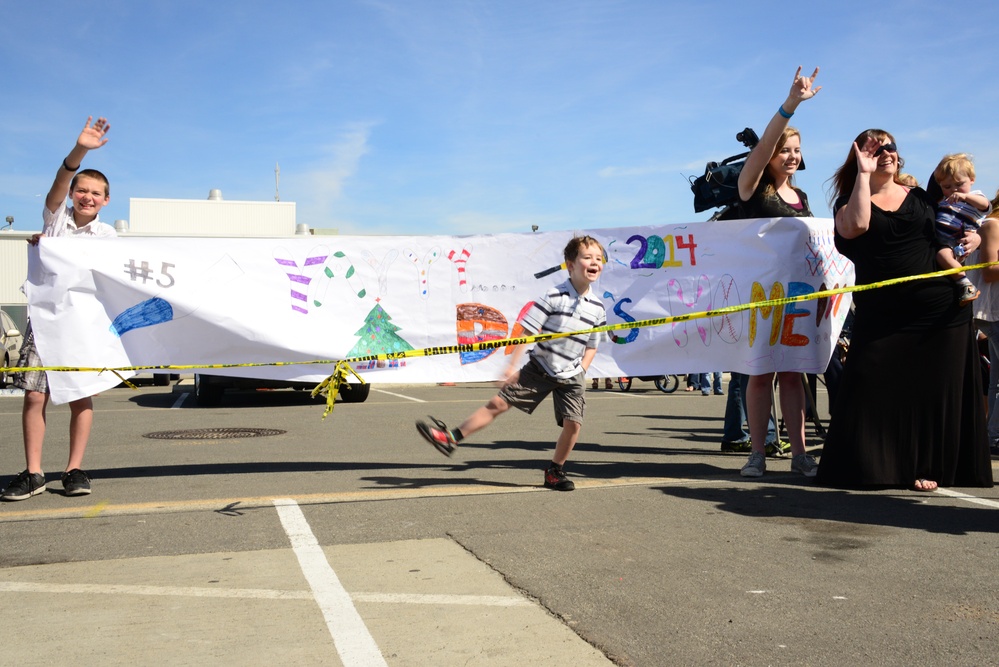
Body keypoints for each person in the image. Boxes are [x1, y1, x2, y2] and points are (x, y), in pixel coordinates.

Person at [815, 130, 993, 491]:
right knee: (871, 382)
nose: (886, 153)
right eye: (875, 148)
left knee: (931, 390)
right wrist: (864, 175)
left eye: (890, 147)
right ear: (859, 156)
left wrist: (973, 237)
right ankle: (877, 465)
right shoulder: (849, 202)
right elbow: (858, 226)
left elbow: (955, 224)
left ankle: (928, 466)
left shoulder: (922, 197)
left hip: (939, 308)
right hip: (882, 315)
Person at [415, 235, 608, 491]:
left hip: (572, 374)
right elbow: (527, 331)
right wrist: (511, 366)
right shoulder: (552, 295)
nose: (594, 262)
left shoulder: (597, 306)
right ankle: (451, 437)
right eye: (587, 257)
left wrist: (582, 369)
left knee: (574, 425)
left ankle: (555, 471)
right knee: (498, 403)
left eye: (598, 258)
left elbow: (593, 345)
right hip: (541, 367)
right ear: (570, 265)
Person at [1, 117, 116, 502]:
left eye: (95, 193)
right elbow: (57, 186)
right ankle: (33, 472)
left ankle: (74, 469)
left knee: (80, 396)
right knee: (35, 396)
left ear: (106, 200)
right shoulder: (55, 221)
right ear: (72, 194)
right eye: (81, 190)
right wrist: (80, 150)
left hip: (81, 325)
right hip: (44, 318)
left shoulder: (109, 237)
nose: (86, 197)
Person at [732, 66, 820, 479]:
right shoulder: (752, 186)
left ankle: (801, 452)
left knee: (792, 372)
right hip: (759, 297)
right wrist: (791, 105)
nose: (792, 156)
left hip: (797, 296)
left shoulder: (801, 196)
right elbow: (764, 147)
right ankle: (757, 452)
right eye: (785, 150)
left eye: (797, 150)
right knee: (758, 373)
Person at [929, 153, 991, 304]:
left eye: (959, 184)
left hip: (955, 240)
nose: (954, 190)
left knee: (942, 256)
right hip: (942, 239)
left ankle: (965, 283)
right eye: (947, 187)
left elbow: (986, 206)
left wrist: (965, 197)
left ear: (971, 180)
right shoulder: (943, 201)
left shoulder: (974, 196)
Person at [968, 188, 999, 455]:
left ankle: (992, 434)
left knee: (996, 378)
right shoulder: (992, 224)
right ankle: (993, 435)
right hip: (992, 310)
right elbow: (989, 271)